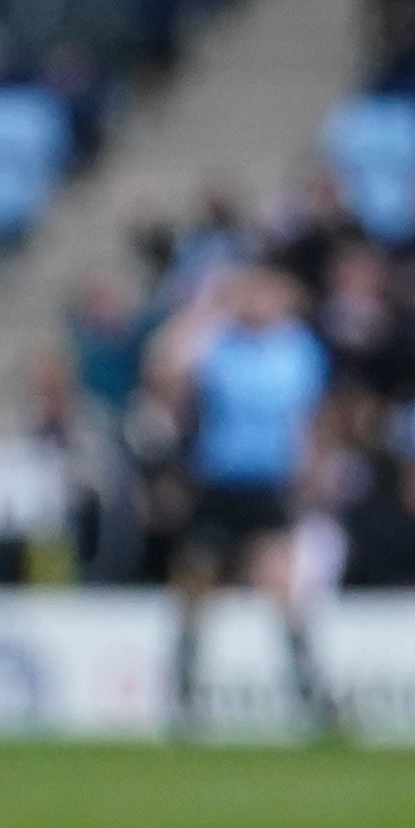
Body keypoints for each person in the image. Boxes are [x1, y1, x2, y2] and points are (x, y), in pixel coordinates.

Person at [147, 260, 341, 738]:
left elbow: (311, 420)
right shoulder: (217, 346)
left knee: (284, 594)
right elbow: (163, 372)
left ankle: (311, 698)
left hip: (267, 488)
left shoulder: (298, 350)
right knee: (193, 591)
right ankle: (184, 699)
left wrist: (313, 474)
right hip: (218, 484)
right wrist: (205, 312)